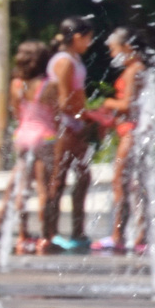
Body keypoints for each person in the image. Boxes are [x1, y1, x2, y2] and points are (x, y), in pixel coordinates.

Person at [0, 41, 57, 252]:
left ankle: (23, 235)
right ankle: (46, 237)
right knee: (43, 190)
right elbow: (56, 113)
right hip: (44, 136)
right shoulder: (49, 85)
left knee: (21, 189)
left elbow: (16, 113)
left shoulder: (16, 84)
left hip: (23, 135)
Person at [94, 27, 150, 254]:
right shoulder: (138, 69)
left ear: (128, 48)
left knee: (121, 183)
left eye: (113, 49)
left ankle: (117, 236)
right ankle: (142, 236)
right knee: (138, 185)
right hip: (138, 131)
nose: (111, 54)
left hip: (132, 133)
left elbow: (127, 105)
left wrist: (107, 104)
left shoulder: (132, 71)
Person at [42, 16, 96, 252]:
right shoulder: (64, 62)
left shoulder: (74, 59)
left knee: (83, 178)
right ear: (77, 37)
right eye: (88, 38)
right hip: (65, 127)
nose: (90, 43)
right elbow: (64, 102)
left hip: (75, 125)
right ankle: (49, 234)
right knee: (59, 181)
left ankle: (78, 231)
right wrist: (87, 116)